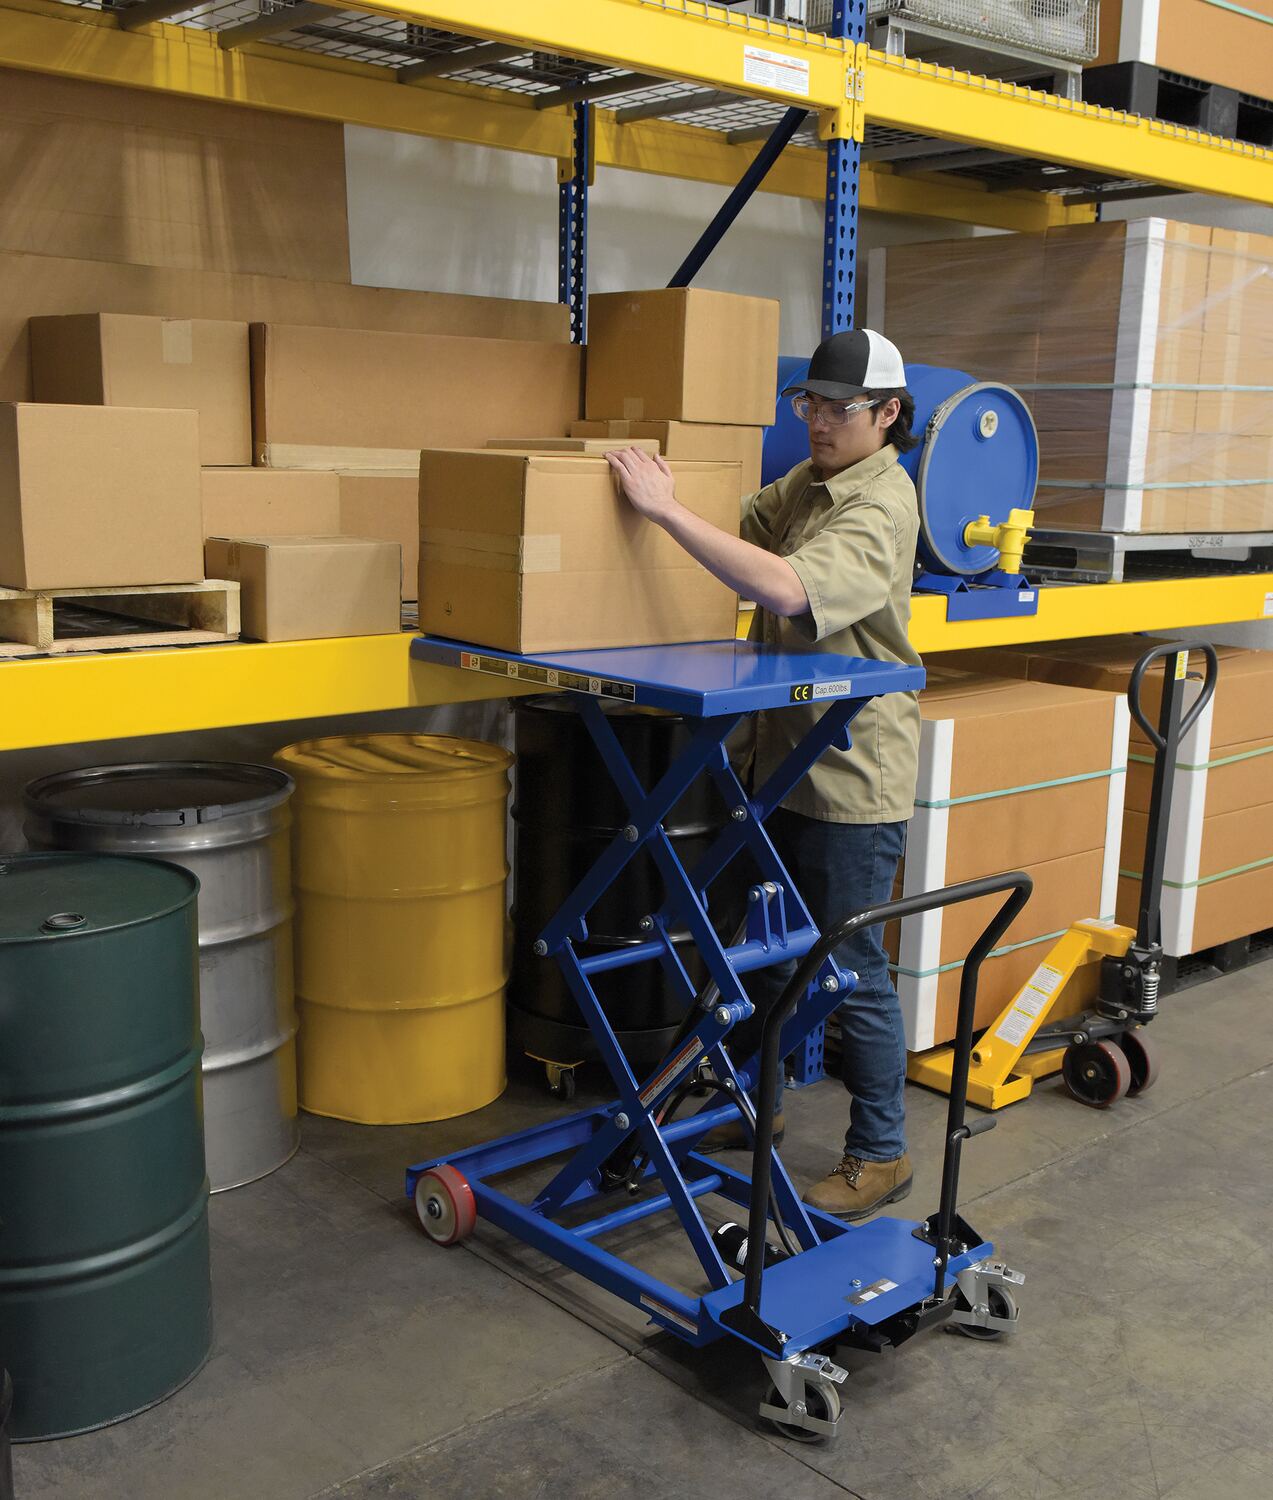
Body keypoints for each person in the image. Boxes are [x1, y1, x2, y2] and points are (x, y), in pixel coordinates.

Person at [605, 327, 922, 1221]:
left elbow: (786, 588)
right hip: (776, 762)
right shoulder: (811, 482)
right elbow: (738, 525)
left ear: (887, 414)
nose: (817, 421)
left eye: (839, 409)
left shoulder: (880, 504)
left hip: (848, 776)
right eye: (809, 403)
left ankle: (880, 1152)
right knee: (761, 952)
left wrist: (664, 512)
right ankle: (756, 1105)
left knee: (848, 966)